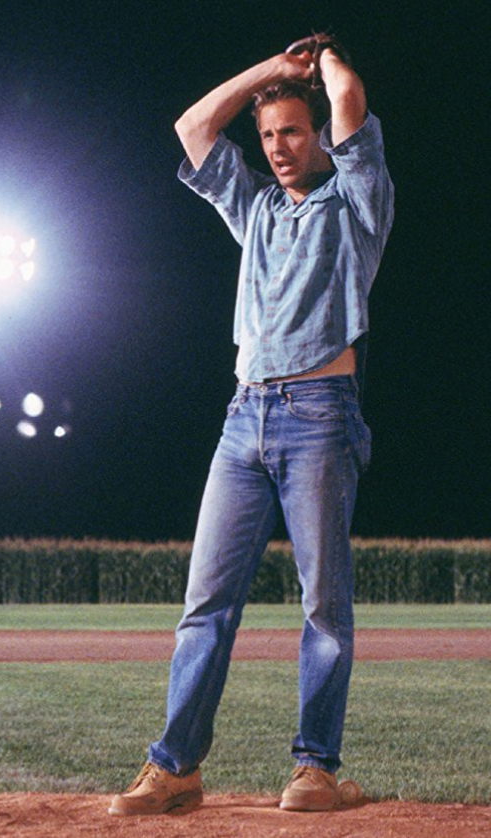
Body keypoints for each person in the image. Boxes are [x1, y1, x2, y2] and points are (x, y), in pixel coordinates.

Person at [108, 36, 394, 816]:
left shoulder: (356, 202)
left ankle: (316, 769)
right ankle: (176, 768)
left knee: (322, 606)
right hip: (244, 420)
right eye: (269, 137)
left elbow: (351, 110)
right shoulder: (257, 208)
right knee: (205, 603)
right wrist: (271, 73)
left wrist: (327, 59)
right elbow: (194, 130)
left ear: (321, 139)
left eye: (292, 132)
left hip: (320, 420)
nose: (278, 149)